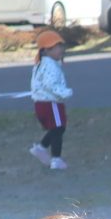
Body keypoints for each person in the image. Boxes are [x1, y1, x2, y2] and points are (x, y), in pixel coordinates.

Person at [28, 29, 72, 171]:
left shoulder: (41, 64)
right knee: (58, 128)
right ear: (46, 50)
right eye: (56, 47)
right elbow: (50, 84)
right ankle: (56, 159)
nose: (61, 50)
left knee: (56, 129)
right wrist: (65, 92)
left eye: (61, 46)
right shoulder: (50, 65)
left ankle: (41, 149)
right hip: (51, 102)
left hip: (41, 103)